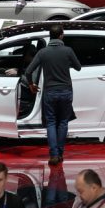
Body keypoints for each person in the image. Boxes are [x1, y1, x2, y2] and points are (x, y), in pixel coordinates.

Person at [23, 25, 81, 165]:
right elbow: (78, 67)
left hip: (49, 92)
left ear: (50, 36)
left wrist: (31, 85)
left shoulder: (43, 52)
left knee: (51, 123)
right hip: (66, 91)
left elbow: (28, 71)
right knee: (63, 122)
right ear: (61, 35)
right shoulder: (68, 51)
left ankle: (54, 155)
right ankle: (60, 153)